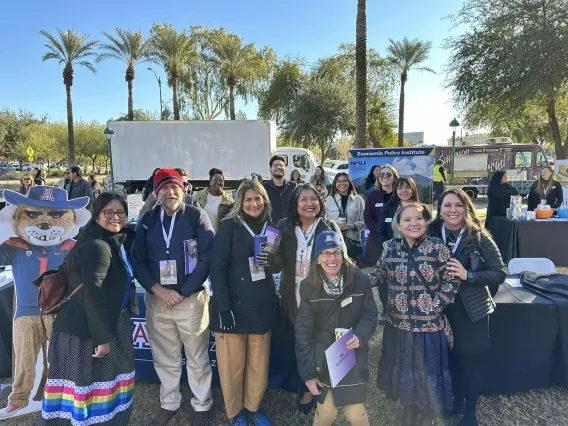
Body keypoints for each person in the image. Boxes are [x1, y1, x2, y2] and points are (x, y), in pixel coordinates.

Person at [40, 193, 137, 425]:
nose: (116, 217)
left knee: (104, 387)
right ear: (96, 216)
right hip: (88, 332)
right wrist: (102, 339)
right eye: (109, 212)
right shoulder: (99, 246)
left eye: (121, 212)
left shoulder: (113, 240)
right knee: (88, 391)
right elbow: (94, 297)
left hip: (105, 323)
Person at [132, 168, 214, 426]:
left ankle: (202, 405)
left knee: (196, 356)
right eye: (164, 187)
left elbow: (206, 259)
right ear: (156, 193)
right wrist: (159, 291)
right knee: (164, 356)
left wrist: (182, 292)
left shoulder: (196, 216)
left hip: (190, 300)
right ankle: (169, 402)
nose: (170, 192)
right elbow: (138, 261)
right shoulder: (147, 220)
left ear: (183, 188)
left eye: (175, 186)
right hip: (158, 301)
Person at [373, 202, 459, 426]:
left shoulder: (437, 247)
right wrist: (347, 274)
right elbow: (378, 275)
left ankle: (428, 412)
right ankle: (410, 408)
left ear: (426, 222)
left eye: (419, 218)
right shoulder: (390, 248)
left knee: (429, 372)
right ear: (399, 225)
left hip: (429, 326)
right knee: (405, 369)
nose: (414, 223)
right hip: (399, 325)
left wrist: (434, 306)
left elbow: (452, 279)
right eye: (407, 220)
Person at [428, 189, 506, 426]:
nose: (453, 210)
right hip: (441, 310)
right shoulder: (430, 234)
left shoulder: (478, 236)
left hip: (470, 311)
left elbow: (500, 272)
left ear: (466, 207)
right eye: (447, 205)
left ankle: (470, 412)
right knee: (449, 360)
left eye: (458, 205)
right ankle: (456, 403)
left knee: (468, 362)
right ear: (439, 210)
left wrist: (468, 275)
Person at [209, 179, 280, 426]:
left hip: (261, 307)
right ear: (240, 202)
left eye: (257, 198)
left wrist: (271, 261)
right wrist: (223, 306)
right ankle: (234, 412)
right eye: (248, 199)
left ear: (264, 201)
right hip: (232, 308)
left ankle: (253, 407)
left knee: (258, 365)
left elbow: (277, 265)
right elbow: (217, 268)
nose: (253, 204)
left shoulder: (271, 228)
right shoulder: (229, 227)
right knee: (232, 367)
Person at [275, 183, 347, 414]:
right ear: (295, 205)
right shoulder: (284, 227)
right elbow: (276, 261)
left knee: (320, 338)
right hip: (293, 292)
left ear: (320, 202)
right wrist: (266, 260)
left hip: (321, 294)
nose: (309, 204)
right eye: (303, 200)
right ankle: (304, 387)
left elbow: (343, 260)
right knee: (300, 339)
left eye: (313, 199)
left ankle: (320, 391)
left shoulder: (329, 227)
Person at [295, 231, 378, 426]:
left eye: (336, 252)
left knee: (356, 414)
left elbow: (369, 314)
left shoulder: (361, 280)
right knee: (326, 415)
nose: (332, 258)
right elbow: (303, 332)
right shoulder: (308, 287)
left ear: (343, 255)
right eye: (325, 253)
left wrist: (360, 335)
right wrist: (308, 375)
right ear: (317, 259)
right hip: (323, 359)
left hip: (351, 357)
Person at [363, 165, 399, 266]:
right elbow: (367, 218)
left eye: (388, 174)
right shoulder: (372, 196)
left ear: (394, 178)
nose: (384, 176)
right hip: (376, 240)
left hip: (397, 239)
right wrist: (381, 230)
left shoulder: (399, 195)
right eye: (381, 174)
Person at [325, 172, 365, 260]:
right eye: (338, 181)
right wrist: (335, 225)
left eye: (344, 181)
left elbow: (364, 221)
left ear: (349, 183)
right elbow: (323, 221)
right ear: (335, 184)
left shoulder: (358, 200)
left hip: (352, 242)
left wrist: (352, 226)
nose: (341, 183)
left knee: (352, 269)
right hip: (333, 242)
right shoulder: (328, 200)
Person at [263, 155, 296, 225]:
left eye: (281, 165)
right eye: (275, 166)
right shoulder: (264, 187)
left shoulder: (292, 186)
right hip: (271, 228)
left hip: (289, 227)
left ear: (285, 168)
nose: (278, 167)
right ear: (270, 169)